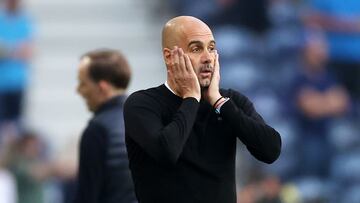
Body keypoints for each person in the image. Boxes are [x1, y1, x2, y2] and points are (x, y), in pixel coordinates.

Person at [124, 16, 282, 203]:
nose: (208, 58)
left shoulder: (229, 101)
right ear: (169, 57)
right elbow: (166, 152)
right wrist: (192, 97)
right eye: (196, 49)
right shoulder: (142, 104)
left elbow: (271, 150)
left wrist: (219, 103)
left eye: (212, 48)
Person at [74, 49, 137, 203]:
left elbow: (87, 196)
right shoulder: (150, 120)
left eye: (83, 83)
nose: (78, 90)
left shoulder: (97, 130)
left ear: (102, 87)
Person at [0, 0, 33, 135]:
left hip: (18, 81)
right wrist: (16, 51)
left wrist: (7, 50)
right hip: (2, 82)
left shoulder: (24, 21)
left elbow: (28, 51)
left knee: (15, 125)